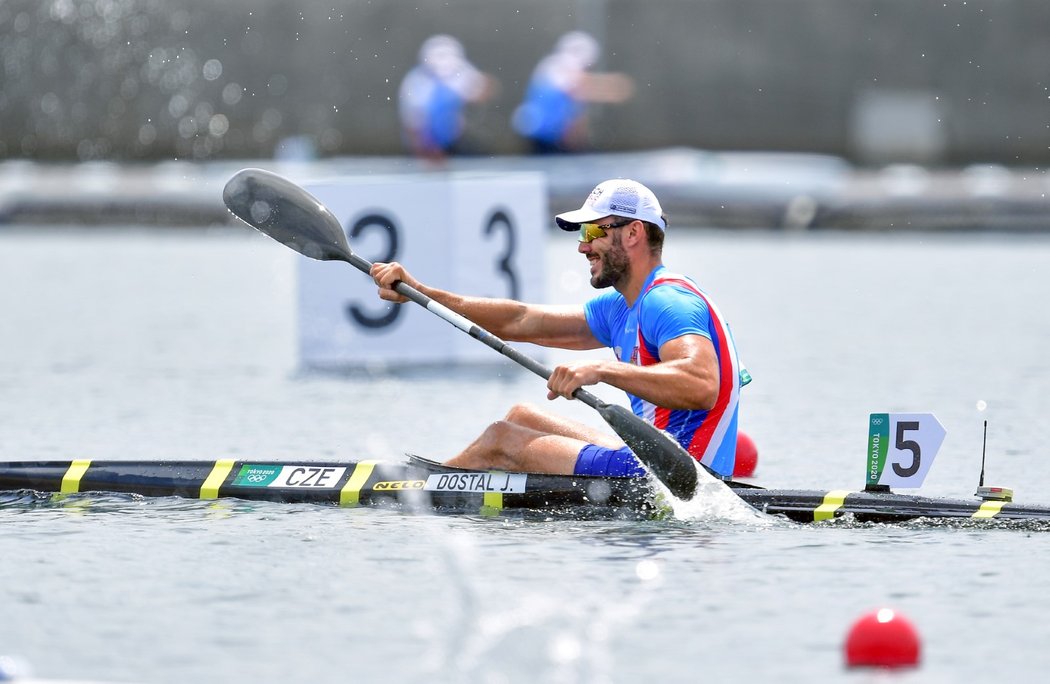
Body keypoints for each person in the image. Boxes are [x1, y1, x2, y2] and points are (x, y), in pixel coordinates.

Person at [369, 179, 744, 479]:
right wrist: (420, 292)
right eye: (582, 235)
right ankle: (441, 482)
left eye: (594, 232)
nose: (584, 248)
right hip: (654, 460)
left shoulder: (667, 301)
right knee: (521, 417)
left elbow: (701, 384)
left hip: (680, 477)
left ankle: (412, 493)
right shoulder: (623, 307)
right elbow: (521, 320)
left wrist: (601, 370)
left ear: (633, 234)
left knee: (502, 439)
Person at [511, 31, 635, 154]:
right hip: (541, 131)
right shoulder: (555, 66)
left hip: (548, 133)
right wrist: (612, 87)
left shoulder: (556, 67)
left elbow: (576, 109)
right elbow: (578, 86)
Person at [397, 35, 496, 161]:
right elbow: (413, 126)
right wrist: (426, 150)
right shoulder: (415, 83)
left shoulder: (460, 72)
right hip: (425, 144)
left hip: (456, 141)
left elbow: (486, 89)